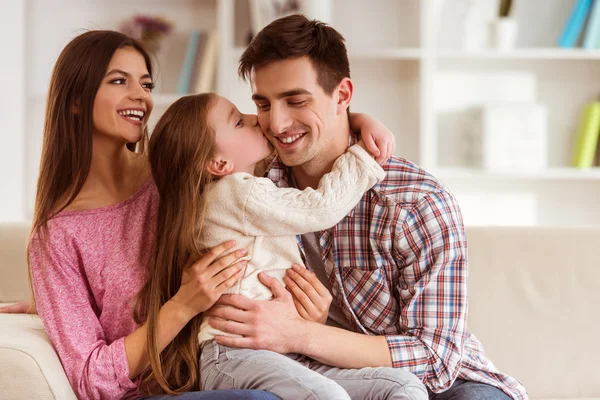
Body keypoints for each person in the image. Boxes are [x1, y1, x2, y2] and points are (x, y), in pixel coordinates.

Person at [0, 29, 404, 399]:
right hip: (178, 386)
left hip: (243, 362)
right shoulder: (58, 237)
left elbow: (280, 141)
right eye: (119, 81)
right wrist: (183, 304)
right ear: (74, 99)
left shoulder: (179, 177)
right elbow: (92, 379)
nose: (141, 96)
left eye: (146, 84)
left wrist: (353, 119)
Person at [202, 14, 529, 400]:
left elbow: (435, 360)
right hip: (319, 373)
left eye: (296, 100)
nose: (276, 122)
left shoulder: (416, 203)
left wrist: (299, 332)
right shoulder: (254, 179)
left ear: (342, 95)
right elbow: (181, 163)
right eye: (263, 103)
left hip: (442, 383)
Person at [141, 92, 427, 399]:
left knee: (404, 387)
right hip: (235, 354)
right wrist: (365, 155)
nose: (256, 119)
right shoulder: (234, 193)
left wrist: (358, 120)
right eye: (239, 122)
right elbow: (320, 208)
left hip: (282, 351)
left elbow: (322, 127)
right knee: (328, 396)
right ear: (220, 163)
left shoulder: (248, 188)